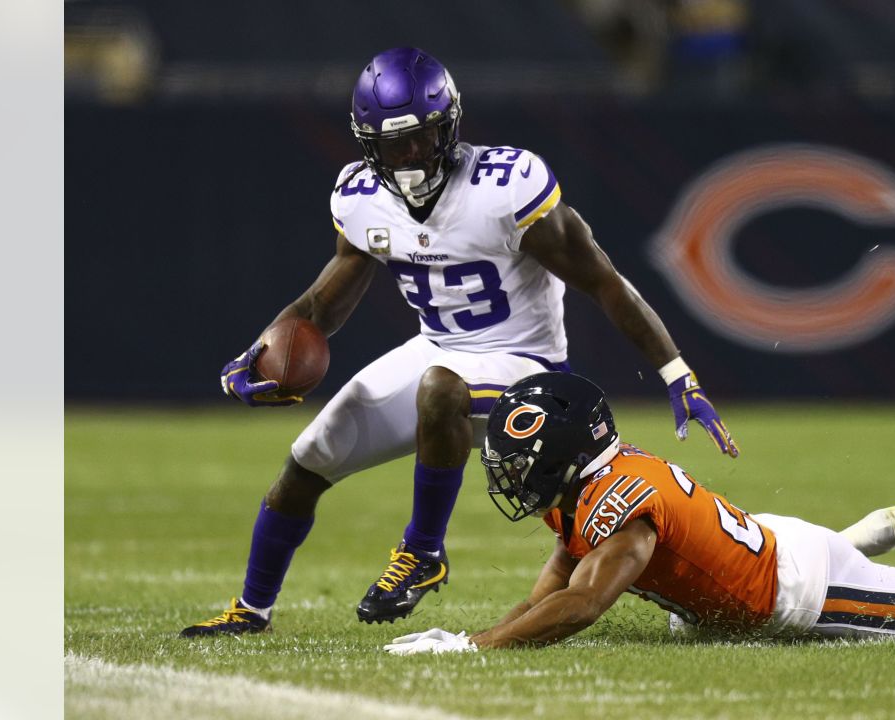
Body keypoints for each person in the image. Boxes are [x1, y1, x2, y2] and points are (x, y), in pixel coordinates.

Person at [180, 47, 739, 638]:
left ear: (450, 126)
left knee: (438, 390)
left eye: (424, 136)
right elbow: (323, 303)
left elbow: (604, 282)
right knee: (308, 458)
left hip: (530, 367)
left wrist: (678, 372)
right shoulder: (360, 195)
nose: (413, 154)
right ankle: (251, 611)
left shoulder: (505, 186)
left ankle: (422, 552)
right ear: (368, 144)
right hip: (438, 350)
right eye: (396, 143)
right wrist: (264, 348)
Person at [384, 372, 895, 654]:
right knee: (689, 617)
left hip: (799, 586)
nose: (513, 477)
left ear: (567, 453)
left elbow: (580, 606)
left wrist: (476, 647)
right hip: (753, 553)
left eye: (523, 462)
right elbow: (556, 584)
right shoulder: (585, 488)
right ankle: (860, 538)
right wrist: (474, 635)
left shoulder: (621, 505)